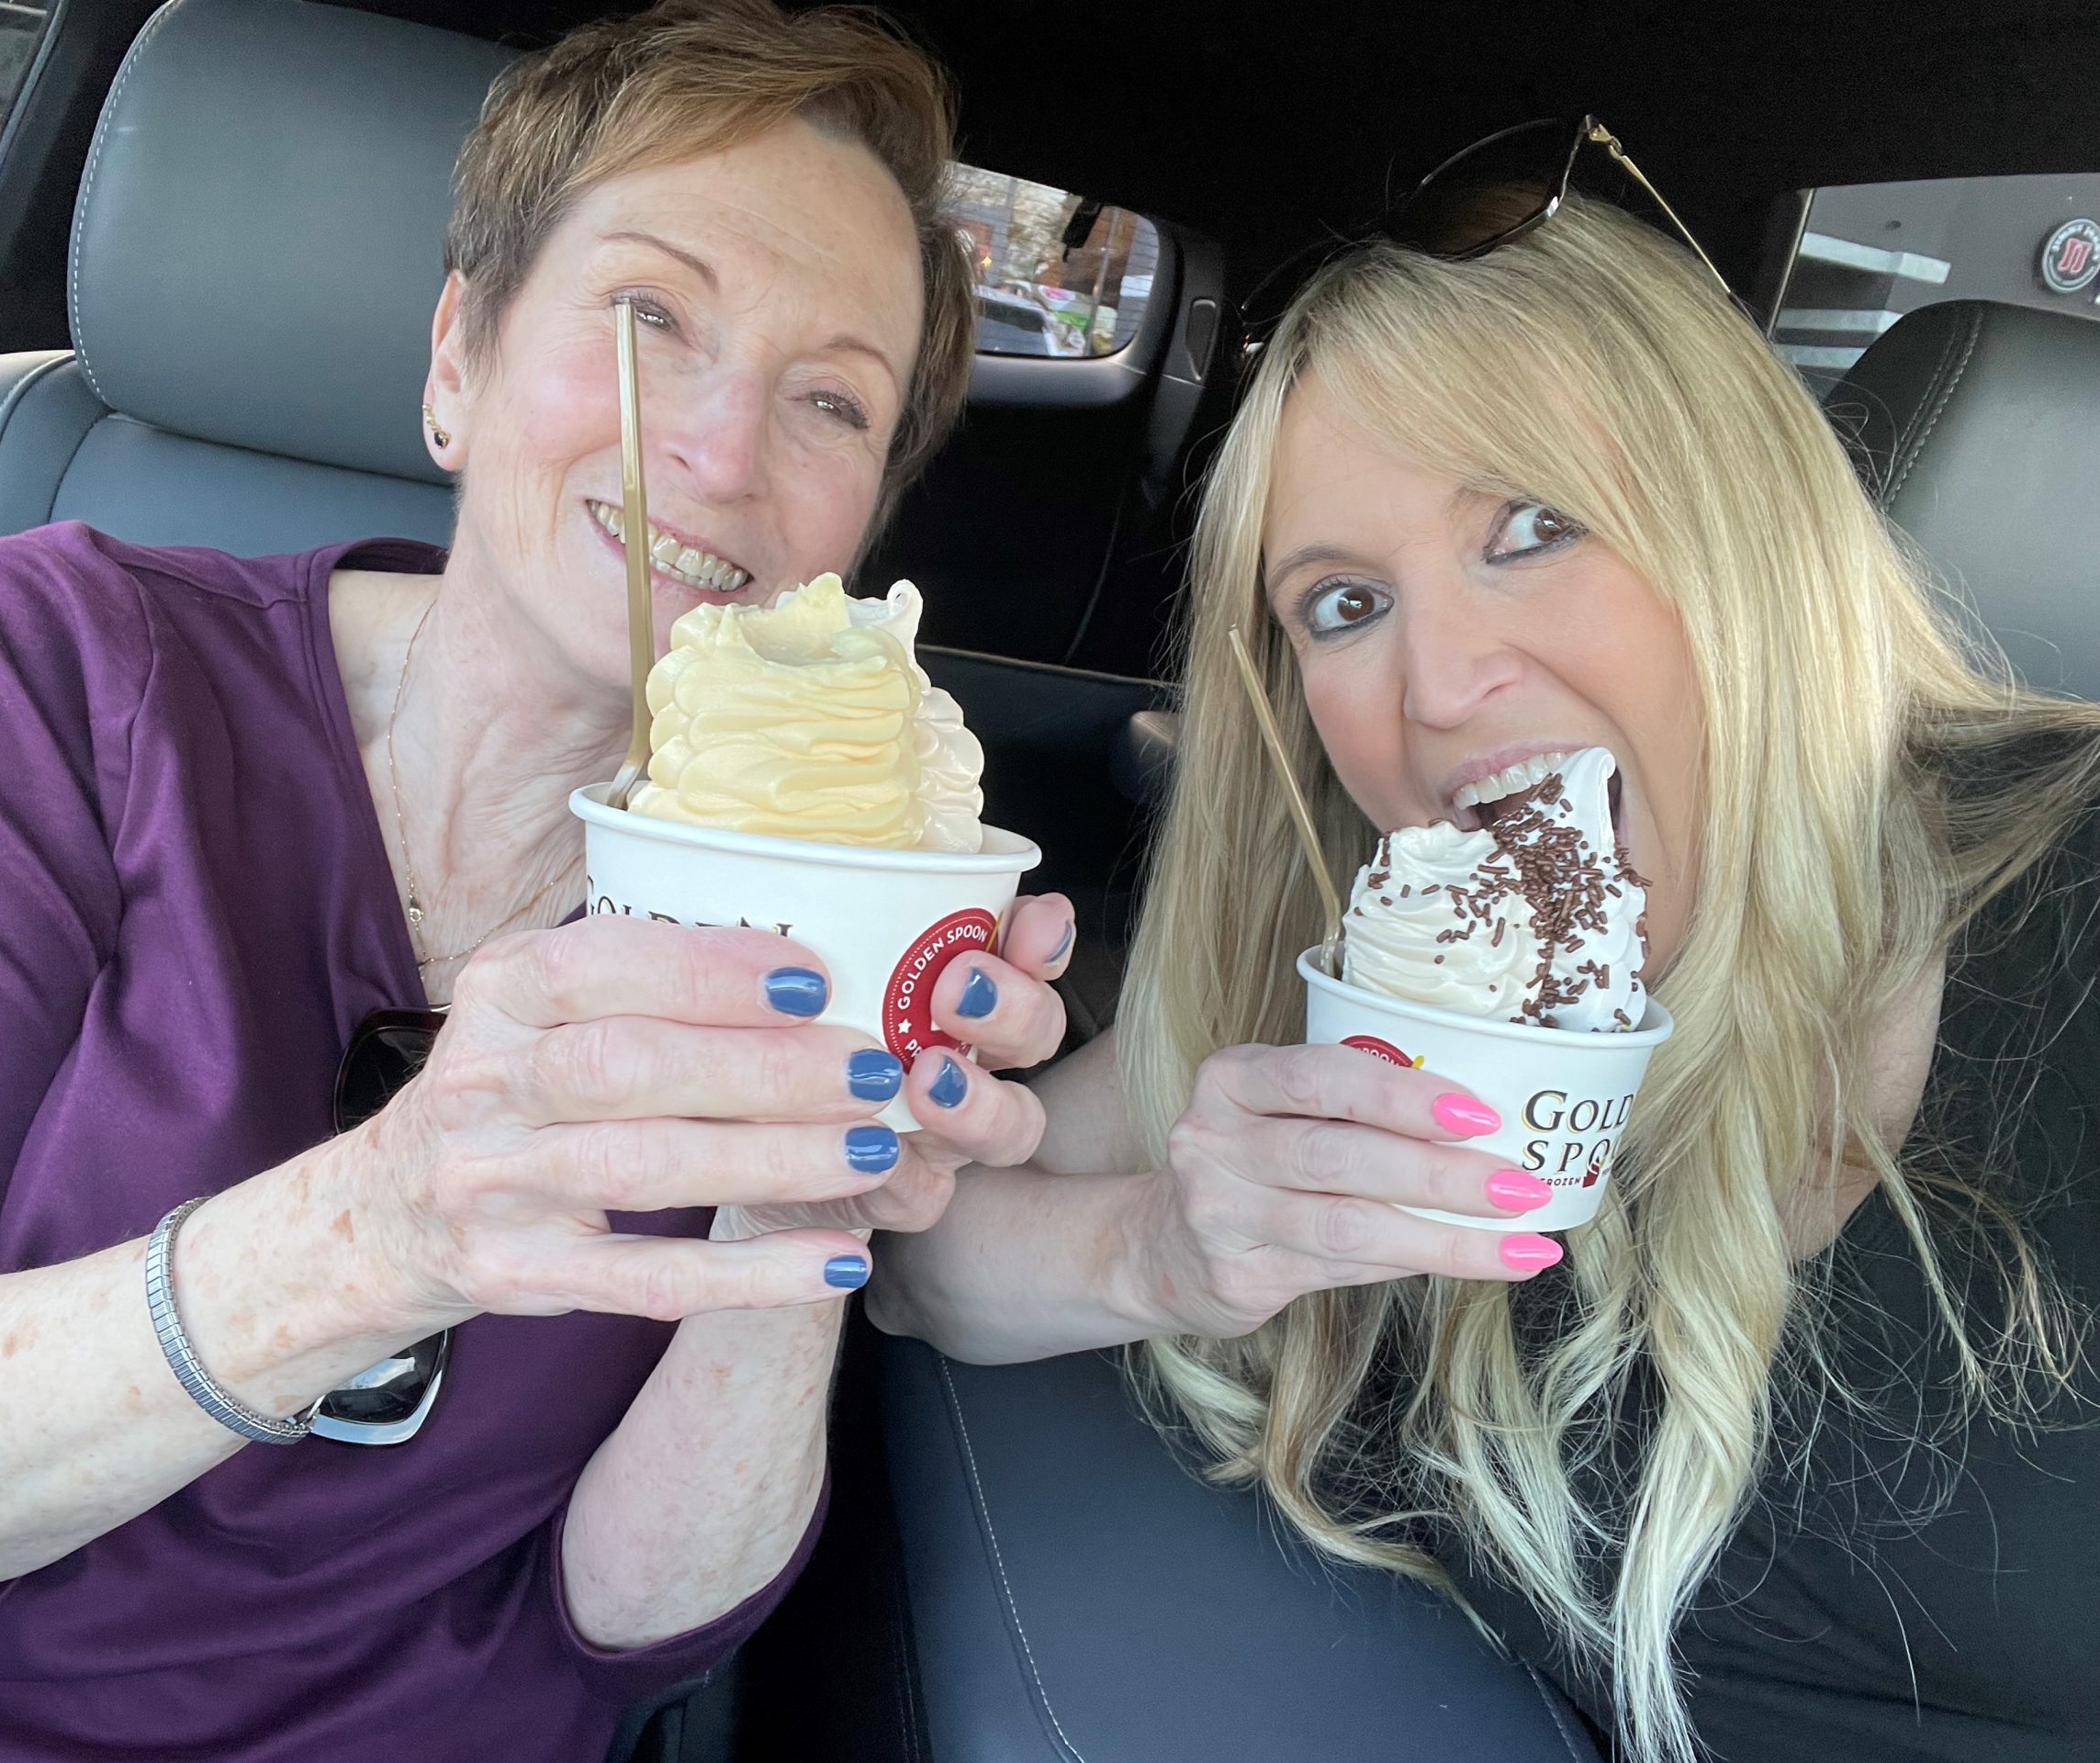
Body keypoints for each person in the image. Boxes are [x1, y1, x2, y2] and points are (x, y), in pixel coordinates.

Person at [0, 4, 1073, 1759]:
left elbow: (624, 1641)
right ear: (455, 359)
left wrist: (804, 1212)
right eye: (646, 315)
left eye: (829, 398)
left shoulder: (829, 911)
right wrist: (381, 1230)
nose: (723, 452)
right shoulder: (77, 665)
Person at [872, 190, 2100, 1762]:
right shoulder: (1370, 984)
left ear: (1744, 524)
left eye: (1532, 526)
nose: (1442, 687)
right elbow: (921, 1257)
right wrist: (1162, 1253)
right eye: (1346, 604)